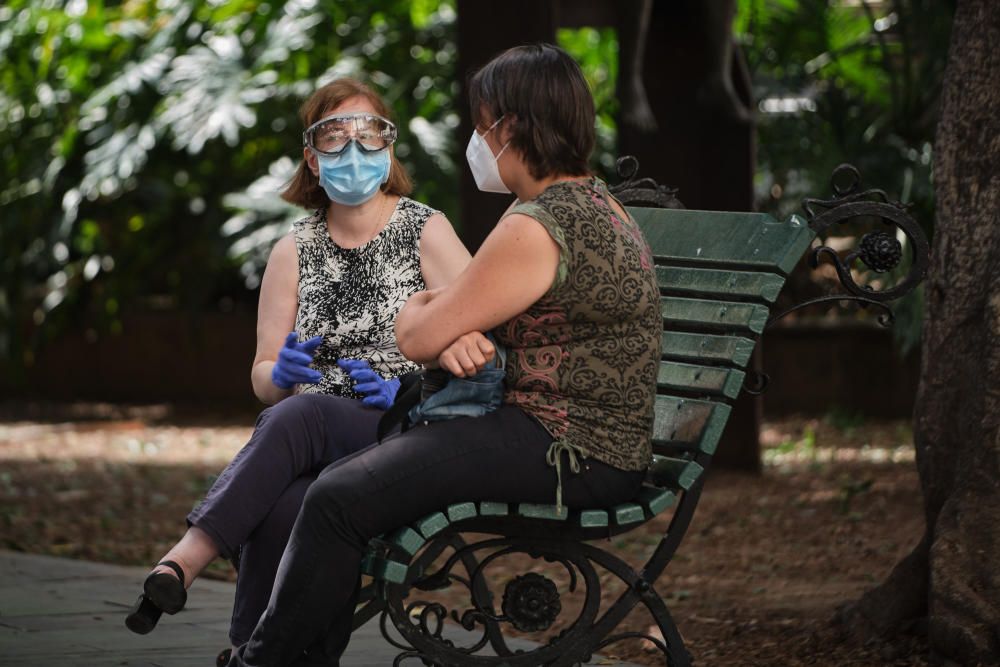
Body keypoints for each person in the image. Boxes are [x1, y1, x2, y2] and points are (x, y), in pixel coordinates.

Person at [226, 43, 662, 666]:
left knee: (335, 497)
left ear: (512, 128)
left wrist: (415, 310)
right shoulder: (592, 204)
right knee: (328, 492)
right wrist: (433, 310)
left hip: (563, 446)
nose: (478, 140)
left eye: (483, 126)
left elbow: (420, 337)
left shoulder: (533, 225)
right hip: (579, 441)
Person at [124, 77, 471, 658]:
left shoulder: (424, 230)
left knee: (303, 412)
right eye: (335, 139)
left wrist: (407, 388)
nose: (353, 153)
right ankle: (254, 653)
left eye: (368, 137)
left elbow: (478, 333)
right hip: (315, 440)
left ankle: (185, 559)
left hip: (406, 432)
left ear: (388, 151)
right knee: (288, 503)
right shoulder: (294, 249)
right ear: (312, 158)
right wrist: (280, 373)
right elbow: (264, 380)